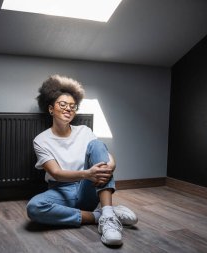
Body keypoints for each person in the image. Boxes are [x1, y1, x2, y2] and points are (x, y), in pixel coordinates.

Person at [26, 74, 138, 246]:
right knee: (34, 208)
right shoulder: (41, 140)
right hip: (61, 191)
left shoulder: (84, 131)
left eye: (72, 106)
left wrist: (110, 166)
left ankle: (107, 217)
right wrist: (86, 174)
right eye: (62, 104)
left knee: (97, 144)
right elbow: (56, 173)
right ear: (51, 109)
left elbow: (105, 155)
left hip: (89, 189)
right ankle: (101, 216)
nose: (68, 109)